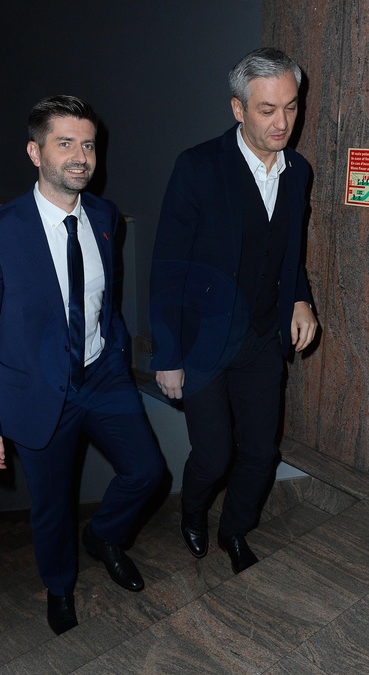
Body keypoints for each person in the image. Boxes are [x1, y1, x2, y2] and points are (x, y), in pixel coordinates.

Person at [0, 95, 164, 634]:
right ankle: (59, 587)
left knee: (148, 472)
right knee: (51, 505)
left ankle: (104, 536)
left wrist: (115, 354)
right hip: (37, 392)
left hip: (102, 375)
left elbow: (104, 302)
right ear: (35, 152)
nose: (81, 157)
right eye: (65, 143)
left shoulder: (104, 216)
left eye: (88, 145)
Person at [150, 48, 317, 575]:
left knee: (262, 452)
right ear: (238, 108)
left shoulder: (298, 171)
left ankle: (235, 529)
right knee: (214, 454)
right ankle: (193, 510)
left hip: (263, 336)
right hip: (203, 342)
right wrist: (167, 355)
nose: (282, 122)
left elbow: (289, 252)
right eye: (267, 109)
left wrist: (300, 297)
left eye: (291, 107)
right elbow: (167, 268)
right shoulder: (198, 167)